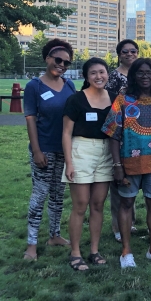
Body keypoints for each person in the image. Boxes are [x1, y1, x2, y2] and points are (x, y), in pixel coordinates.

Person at [102, 58, 151, 268]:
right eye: (140, 73)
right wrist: (117, 166)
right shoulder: (123, 100)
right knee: (126, 204)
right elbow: (112, 134)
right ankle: (126, 252)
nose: (145, 76)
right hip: (129, 164)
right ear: (133, 75)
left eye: (150, 73)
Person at [23, 39, 76, 261]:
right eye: (58, 60)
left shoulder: (69, 86)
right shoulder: (34, 86)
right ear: (47, 58)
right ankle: (31, 245)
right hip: (43, 150)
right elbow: (30, 119)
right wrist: (36, 150)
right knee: (40, 195)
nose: (62, 64)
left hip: (64, 151)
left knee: (57, 196)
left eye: (66, 62)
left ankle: (54, 235)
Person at [62, 58, 116, 270]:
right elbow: (66, 133)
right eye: (93, 73)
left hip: (106, 152)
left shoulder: (114, 98)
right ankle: (75, 252)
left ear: (107, 74)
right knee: (80, 204)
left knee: (97, 204)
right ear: (86, 77)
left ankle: (94, 250)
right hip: (81, 150)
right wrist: (69, 162)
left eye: (102, 72)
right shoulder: (76, 100)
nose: (98, 76)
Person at [105, 39, 139, 241]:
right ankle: (118, 226)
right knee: (118, 181)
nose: (129, 54)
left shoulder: (140, 74)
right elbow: (109, 104)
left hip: (136, 134)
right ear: (119, 54)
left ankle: (131, 223)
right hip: (119, 130)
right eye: (125, 51)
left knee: (131, 180)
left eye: (133, 51)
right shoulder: (114, 77)